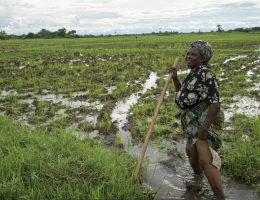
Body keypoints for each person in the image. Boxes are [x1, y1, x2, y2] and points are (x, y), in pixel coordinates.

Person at [169, 40, 225, 199]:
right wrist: (175, 78)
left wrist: (205, 129)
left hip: (202, 121)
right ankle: (198, 180)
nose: (188, 56)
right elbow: (183, 94)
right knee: (190, 152)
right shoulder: (193, 73)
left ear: (203, 58)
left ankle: (221, 197)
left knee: (205, 160)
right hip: (191, 122)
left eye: (194, 54)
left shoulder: (206, 74)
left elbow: (215, 103)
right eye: (188, 53)